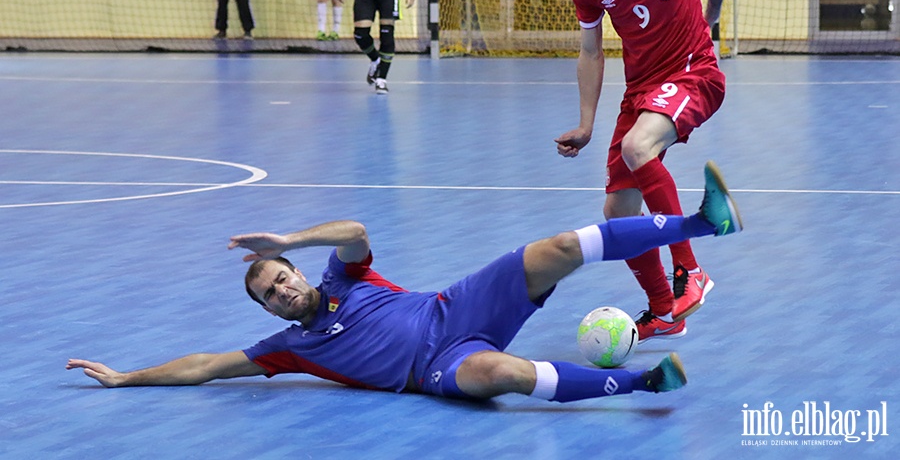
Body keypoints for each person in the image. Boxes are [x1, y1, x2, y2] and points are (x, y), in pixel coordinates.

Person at [67, 162, 742, 404]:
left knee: (562, 246)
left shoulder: (341, 277)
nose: (279, 291)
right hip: (437, 365)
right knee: (500, 373)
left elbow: (357, 229)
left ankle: (703, 224)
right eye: (268, 294)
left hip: (454, 305)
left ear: (296, 271)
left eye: (280, 278)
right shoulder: (292, 348)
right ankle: (642, 384)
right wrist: (129, 377)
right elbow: (207, 365)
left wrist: (290, 238)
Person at [554, 0, 733, 342]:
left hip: (694, 74)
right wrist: (587, 124)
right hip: (641, 92)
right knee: (618, 211)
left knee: (639, 145)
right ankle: (664, 312)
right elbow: (591, 52)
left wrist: (710, 17)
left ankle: (690, 271)